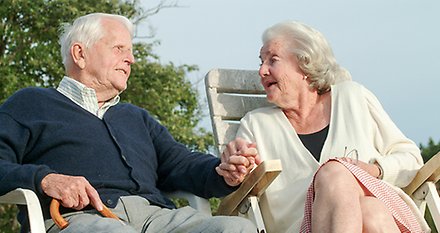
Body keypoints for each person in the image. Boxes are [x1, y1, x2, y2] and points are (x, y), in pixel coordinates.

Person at [0, 13, 259, 233]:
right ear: (80, 54)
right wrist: (44, 179)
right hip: (80, 218)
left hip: (155, 218)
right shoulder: (30, 103)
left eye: (131, 51)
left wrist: (222, 169)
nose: (131, 59)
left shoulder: (137, 117)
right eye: (118, 49)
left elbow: (181, 164)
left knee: (238, 229)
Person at [224, 20, 429, 232]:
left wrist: (374, 170)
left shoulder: (353, 98)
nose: (262, 71)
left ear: (304, 64)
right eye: (261, 62)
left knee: (366, 204)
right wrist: (235, 173)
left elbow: (411, 158)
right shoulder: (256, 124)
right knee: (348, 187)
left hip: (386, 216)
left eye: (272, 60)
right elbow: (238, 189)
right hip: (302, 227)